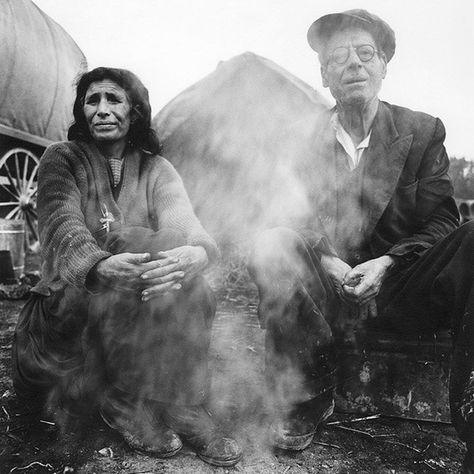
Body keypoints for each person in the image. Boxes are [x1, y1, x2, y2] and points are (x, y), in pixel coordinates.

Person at [248, 9, 474, 471]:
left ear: (384, 65)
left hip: (399, 290)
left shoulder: (421, 130)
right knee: (271, 240)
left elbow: (441, 222)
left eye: (365, 53)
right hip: (322, 293)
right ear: (324, 74)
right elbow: (285, 209)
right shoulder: (298, 136)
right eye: (339, 57)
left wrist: (389, 262)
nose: (353, 64)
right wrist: (328, 260)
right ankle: (306, 396)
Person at [12, 67, 242, 467]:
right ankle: (122, 403)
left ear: (134, 112)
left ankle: (182, 403)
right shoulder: (61, 158)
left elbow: (184, 224)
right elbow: (61, 224)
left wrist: (199, 253)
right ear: (82, 112)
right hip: (69, 307)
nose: (101, 110)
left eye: (113, 100)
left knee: (189, 274)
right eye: (92, 100)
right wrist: (99, 265)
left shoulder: (157, 168)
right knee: (130, 239)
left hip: (135, 307)